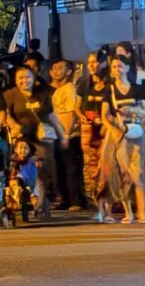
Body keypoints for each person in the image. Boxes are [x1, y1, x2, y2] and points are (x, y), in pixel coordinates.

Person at [6, 66, 67, 218]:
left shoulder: (43, 94)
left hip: (42, 140)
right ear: (15, 79)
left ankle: (38, 202)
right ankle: (23, 198)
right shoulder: (11, 95)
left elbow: (52, 116)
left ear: (33, 78)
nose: (24, 81)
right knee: (22, 172)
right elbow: (6, 115)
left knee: (40, 172)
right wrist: (14, 125)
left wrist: (63, 135)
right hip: (22, 141)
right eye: (20, 78)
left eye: (27, 77)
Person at [102, 55, 145, 224]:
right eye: (114, 67)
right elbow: (104, 116)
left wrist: (133, 109)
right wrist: (114, 131)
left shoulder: (137, 89)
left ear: (127, 68)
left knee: (138, 174)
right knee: (125, 175)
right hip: (121, 135)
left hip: (137, 134)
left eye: (120, 66)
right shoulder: (109, 90)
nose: (117, 70)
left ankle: (142, 212)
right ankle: (128, 212)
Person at [49, 59, 84, 211]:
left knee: (71, 168)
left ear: (69, 72)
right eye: (54, 67)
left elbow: (71, 114)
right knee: (60, 168)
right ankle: (65, 199)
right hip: (58, 135)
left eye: (59, 68)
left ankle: (77, 201)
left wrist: (67, 135)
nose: (55, 70)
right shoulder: (59, 90)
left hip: (69, 135)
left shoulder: (70, 89)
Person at [75, 53, 108, 209]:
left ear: (102, 63)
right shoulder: (84, 83)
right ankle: (94, 198)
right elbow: (77, 106)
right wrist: (83, 117)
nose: (92, 65)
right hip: (88, 128)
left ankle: (108, 198)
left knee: (106, 162)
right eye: (89, 63)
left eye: (95, 62)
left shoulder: (109, 84)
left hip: (105, 128)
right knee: (90, 164)